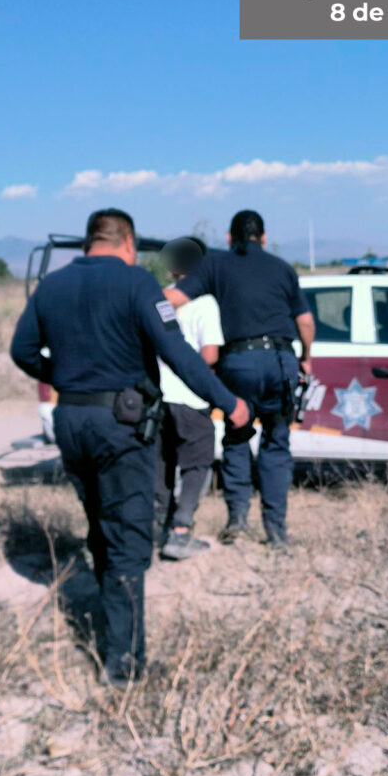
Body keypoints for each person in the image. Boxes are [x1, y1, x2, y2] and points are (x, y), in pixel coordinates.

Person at [10, 209, 248, 686]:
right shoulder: (136, 282)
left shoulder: (50, 288)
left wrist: (69, 382)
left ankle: (114, 627)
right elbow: (177, 353)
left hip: (71, 420)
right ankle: (125, 664)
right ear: (127, 243)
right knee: (129, 537)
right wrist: (228, 402)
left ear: (87, 243)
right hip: (120, 425)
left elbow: (22, 351)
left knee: (100, 525)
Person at [164, 210, 315, 548]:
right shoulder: (283, 268)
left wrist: (137, 304)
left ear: (230, 239)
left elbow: (172, 299)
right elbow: (305, 321)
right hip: (280, 361)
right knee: (276, 443)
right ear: (263, 237)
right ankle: (276, 532)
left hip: (238, 363)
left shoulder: (216, 265)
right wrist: (306, 357)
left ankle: (237, 521)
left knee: (237, 436)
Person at [155, 237, 224, 560]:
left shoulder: (156, 300)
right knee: (196, 464)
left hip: (157, 396)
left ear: (171, 267)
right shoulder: (206, 303)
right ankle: (181, 530)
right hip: (190, 396)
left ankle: (157, 528)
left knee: (162, 465)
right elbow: (209, 354)